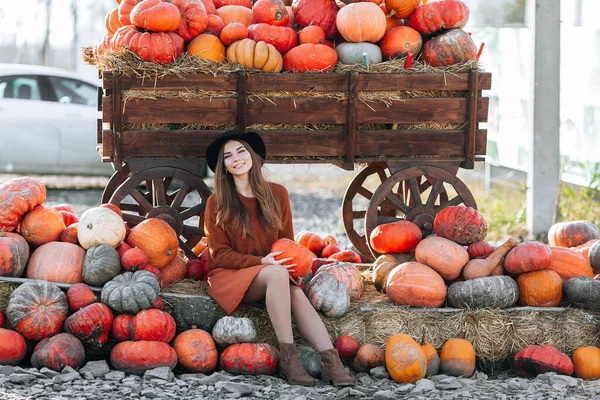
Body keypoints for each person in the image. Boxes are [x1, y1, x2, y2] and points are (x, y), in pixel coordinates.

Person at [203, 130, 355, 387]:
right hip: (230, 276)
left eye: (241, 151)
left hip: (274, 273)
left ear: (253, 156)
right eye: (228, 156)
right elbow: (219, 255)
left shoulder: (278, 194)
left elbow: (287, 244)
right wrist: (263, 263)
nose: (236, 158)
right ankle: (289, 357)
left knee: (295, 293)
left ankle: (332, 362)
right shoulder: (217, 202)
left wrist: (287, 270)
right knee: (276, 274)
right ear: (224, 167)